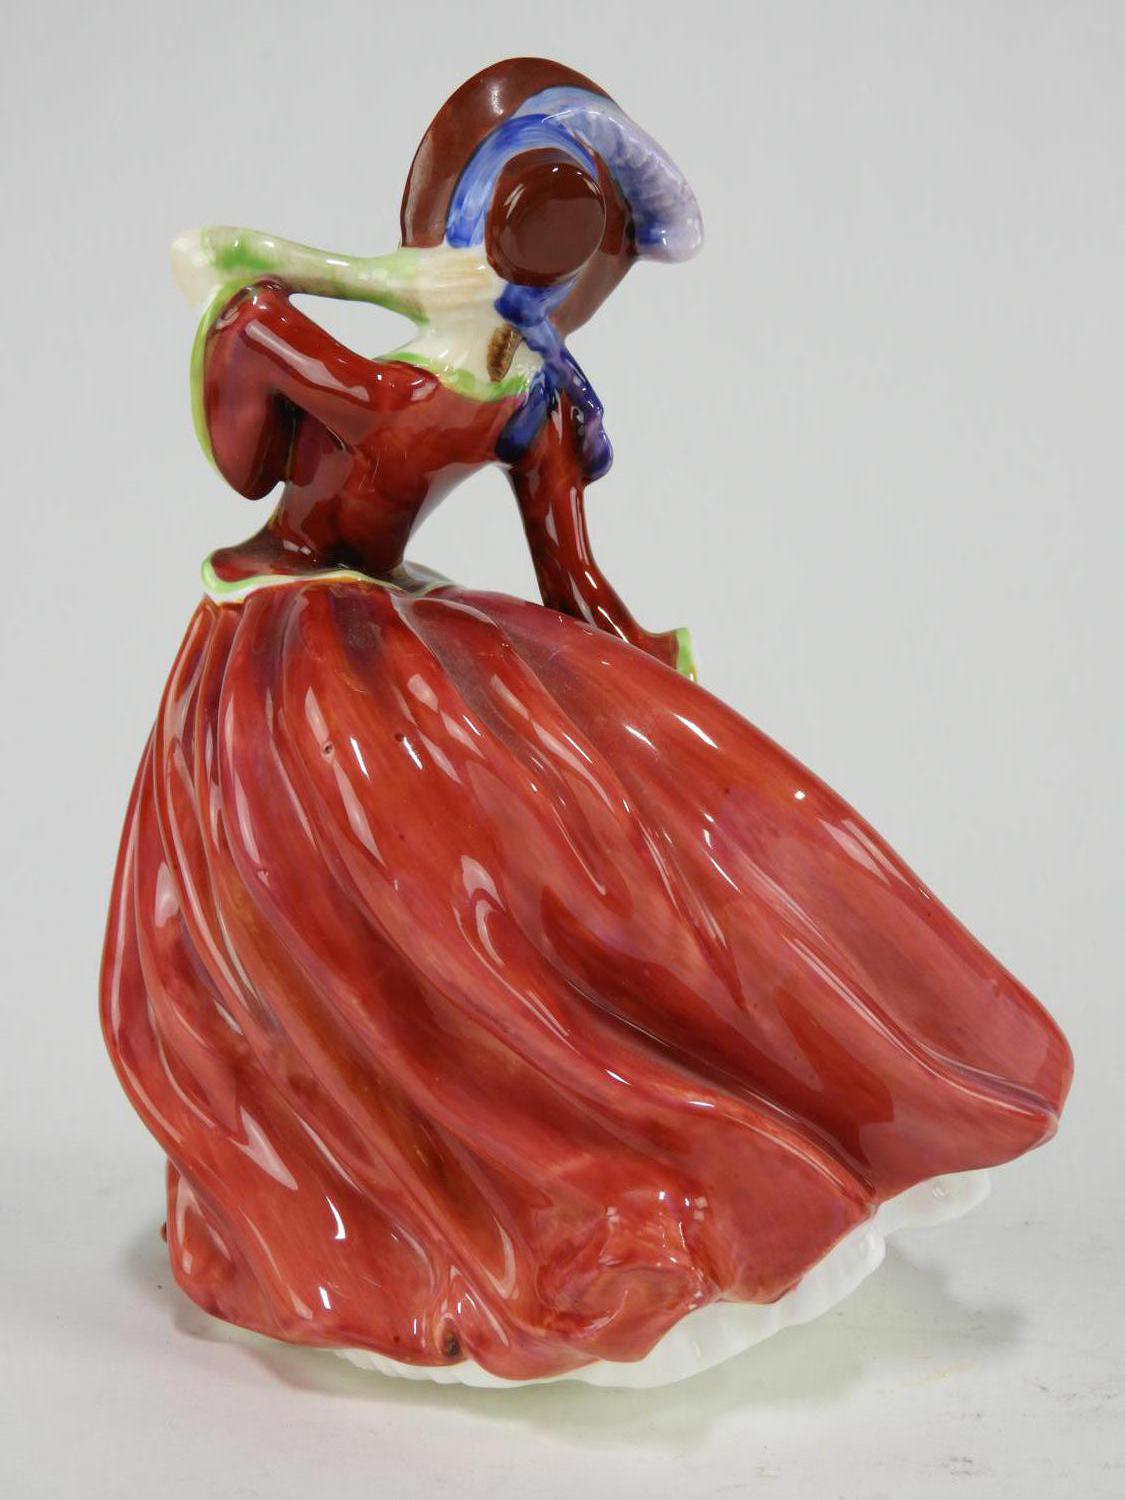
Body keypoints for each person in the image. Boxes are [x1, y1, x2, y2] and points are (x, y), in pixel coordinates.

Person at [101, 58, 1071, 1386]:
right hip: (287, 638)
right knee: (331, 912)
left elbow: (568, 582)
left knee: (491, 877)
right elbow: (225, 293)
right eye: (573, 239)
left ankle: (519, 1147)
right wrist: (355, 278)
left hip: (352, 631)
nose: (576, 280)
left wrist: (646, 694)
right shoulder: (434, 373)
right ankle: (370, 1167)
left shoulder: (518, 391)